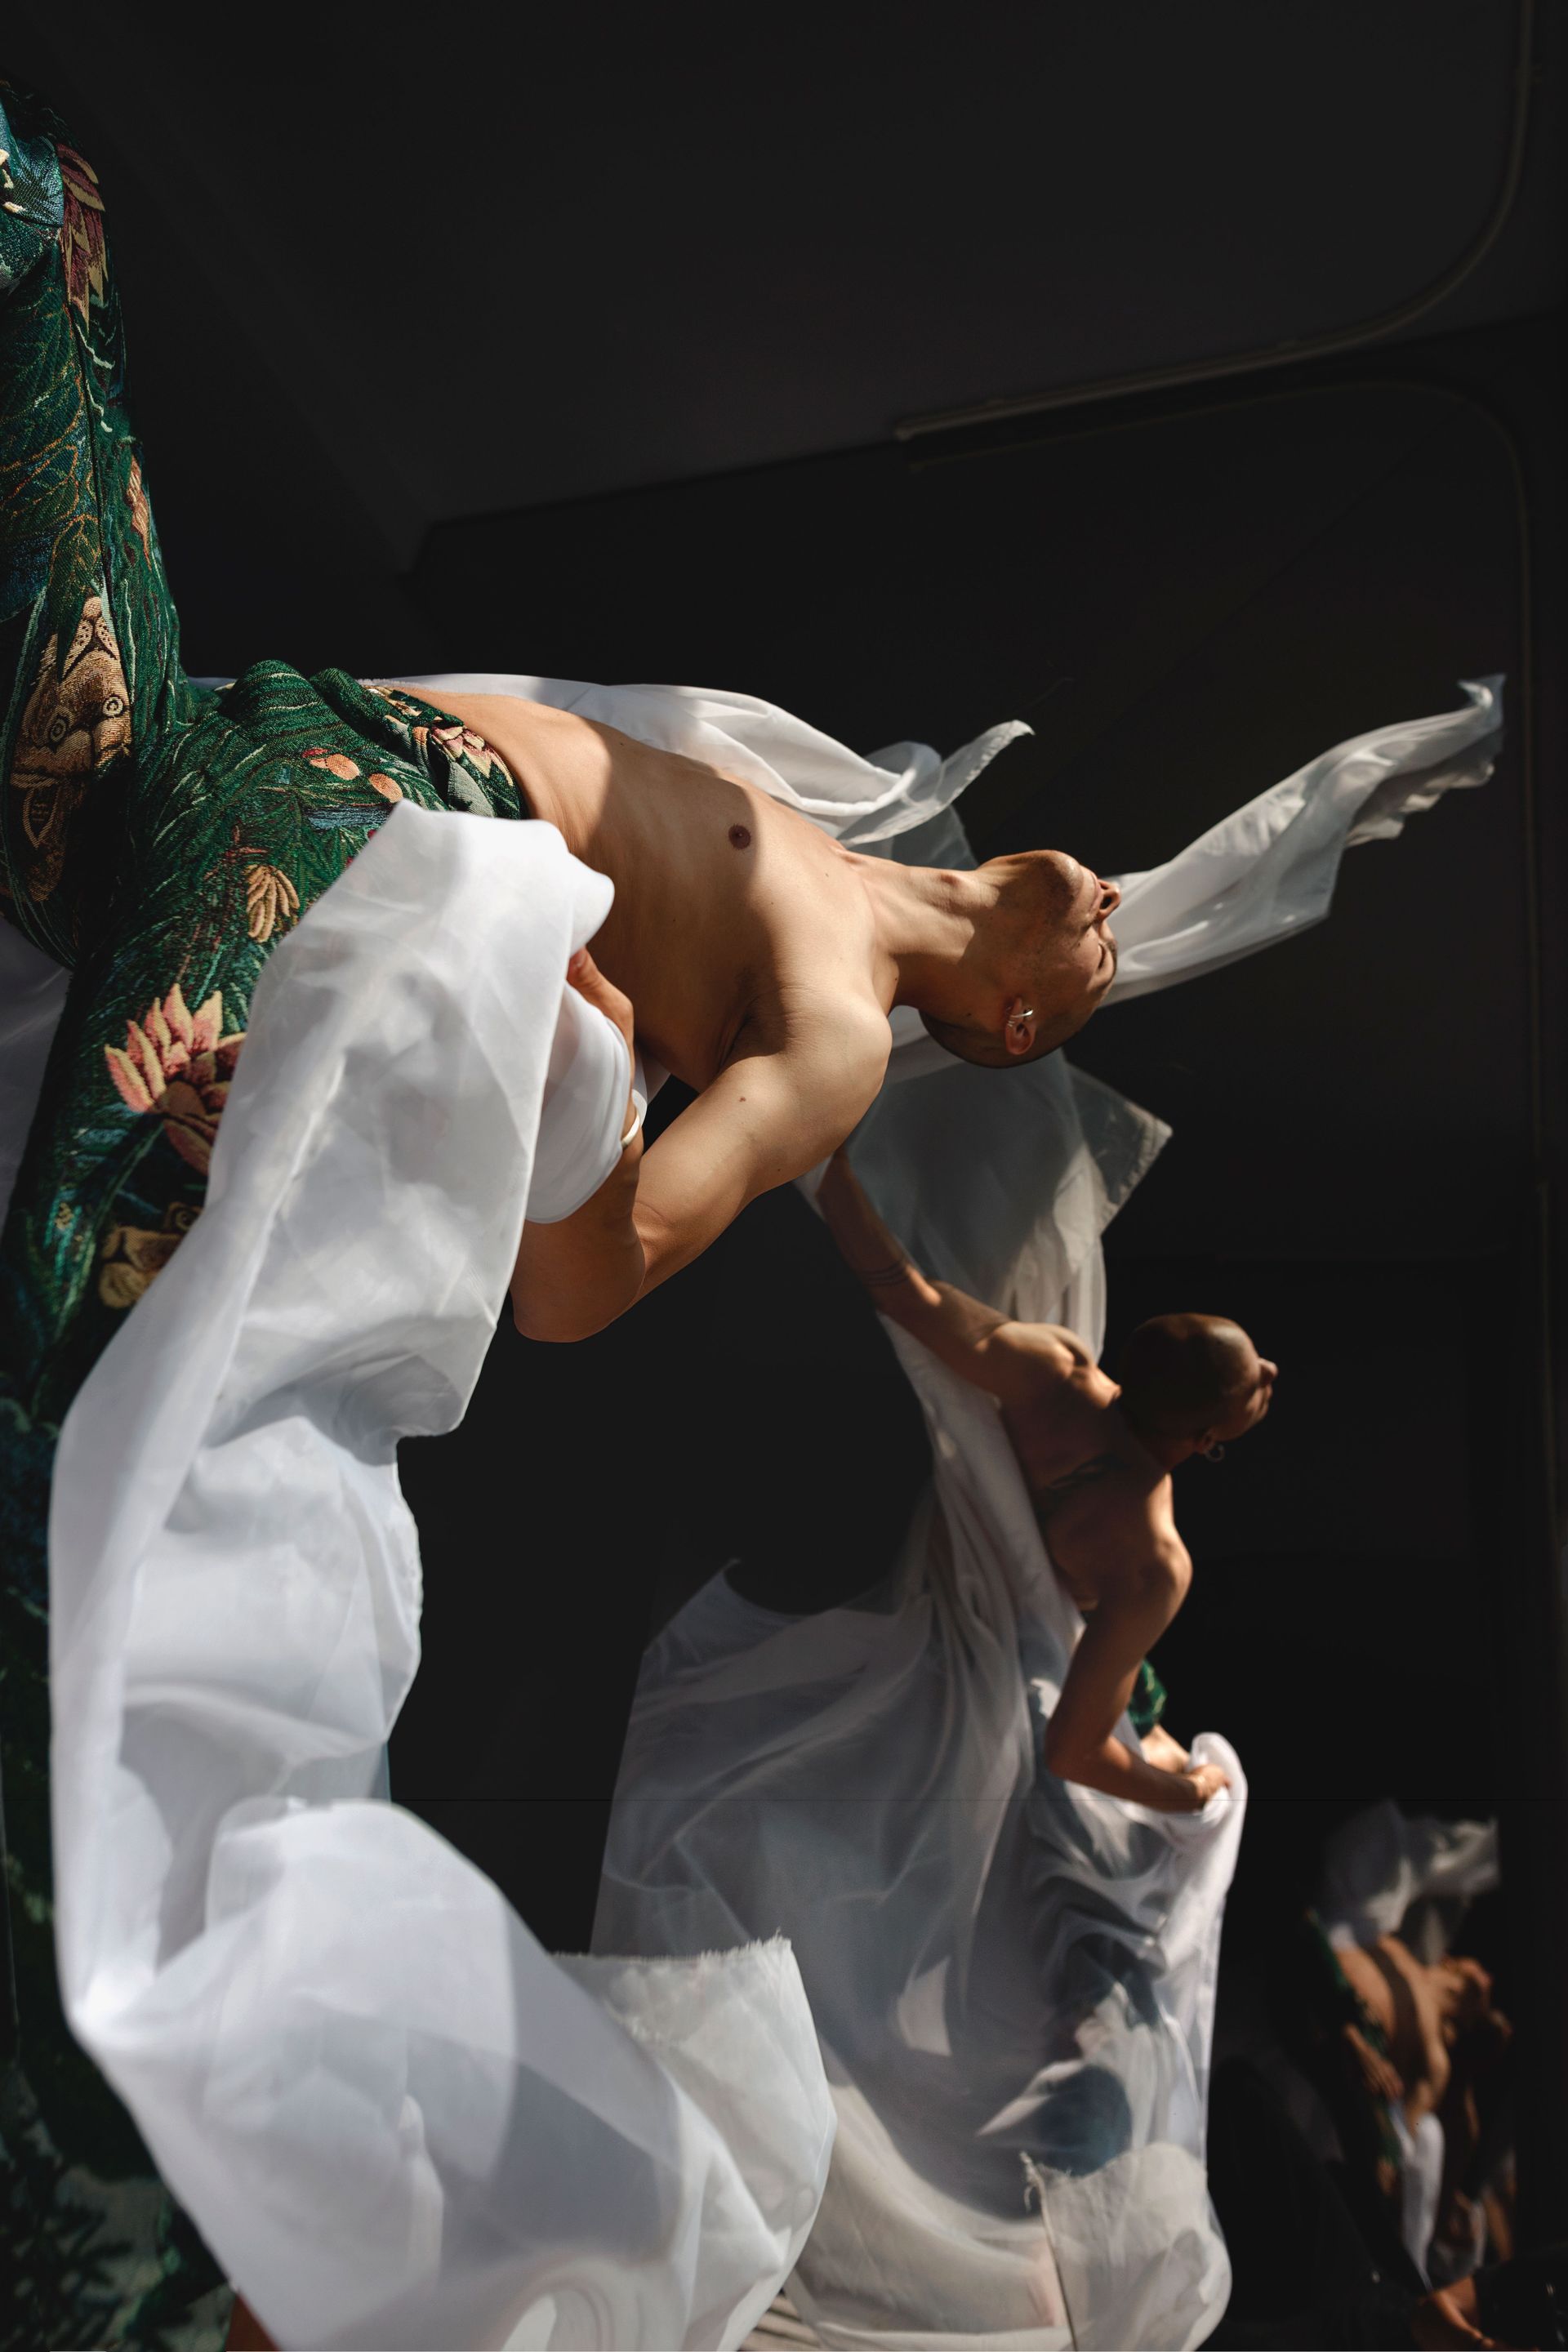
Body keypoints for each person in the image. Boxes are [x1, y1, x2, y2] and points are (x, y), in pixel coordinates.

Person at [816, 1143, 1276, 1812]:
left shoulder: (1054, 1377)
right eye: (1256, 1384)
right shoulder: (1152, 1562)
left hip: (961, 1591)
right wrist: (1191, 1794)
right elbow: (1075, 1753)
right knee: (1216, 1801)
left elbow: (904, 1295)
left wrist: (832, 1172)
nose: (1273, 1371)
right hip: (1016, 1669)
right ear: (1205, 1440)